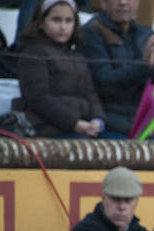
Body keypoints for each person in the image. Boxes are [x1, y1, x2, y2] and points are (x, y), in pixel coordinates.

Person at [16, 0, 123, 138]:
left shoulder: (78, 57)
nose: (63, 27)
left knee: (119, 144)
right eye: (56, 20)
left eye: (68, 21)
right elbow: (38, 99)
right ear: (41, 23)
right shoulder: (33, 53)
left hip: (82, 126)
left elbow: (90, 94)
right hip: (48, 129)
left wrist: (97, 119)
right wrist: (74, 123)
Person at [79, 0, 154, 137]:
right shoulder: (91, 32)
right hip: (107, 120)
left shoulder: (145, 33)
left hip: (143, 120)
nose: (123, 2)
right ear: (103, 3)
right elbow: (103, 80)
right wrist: (142, 66)